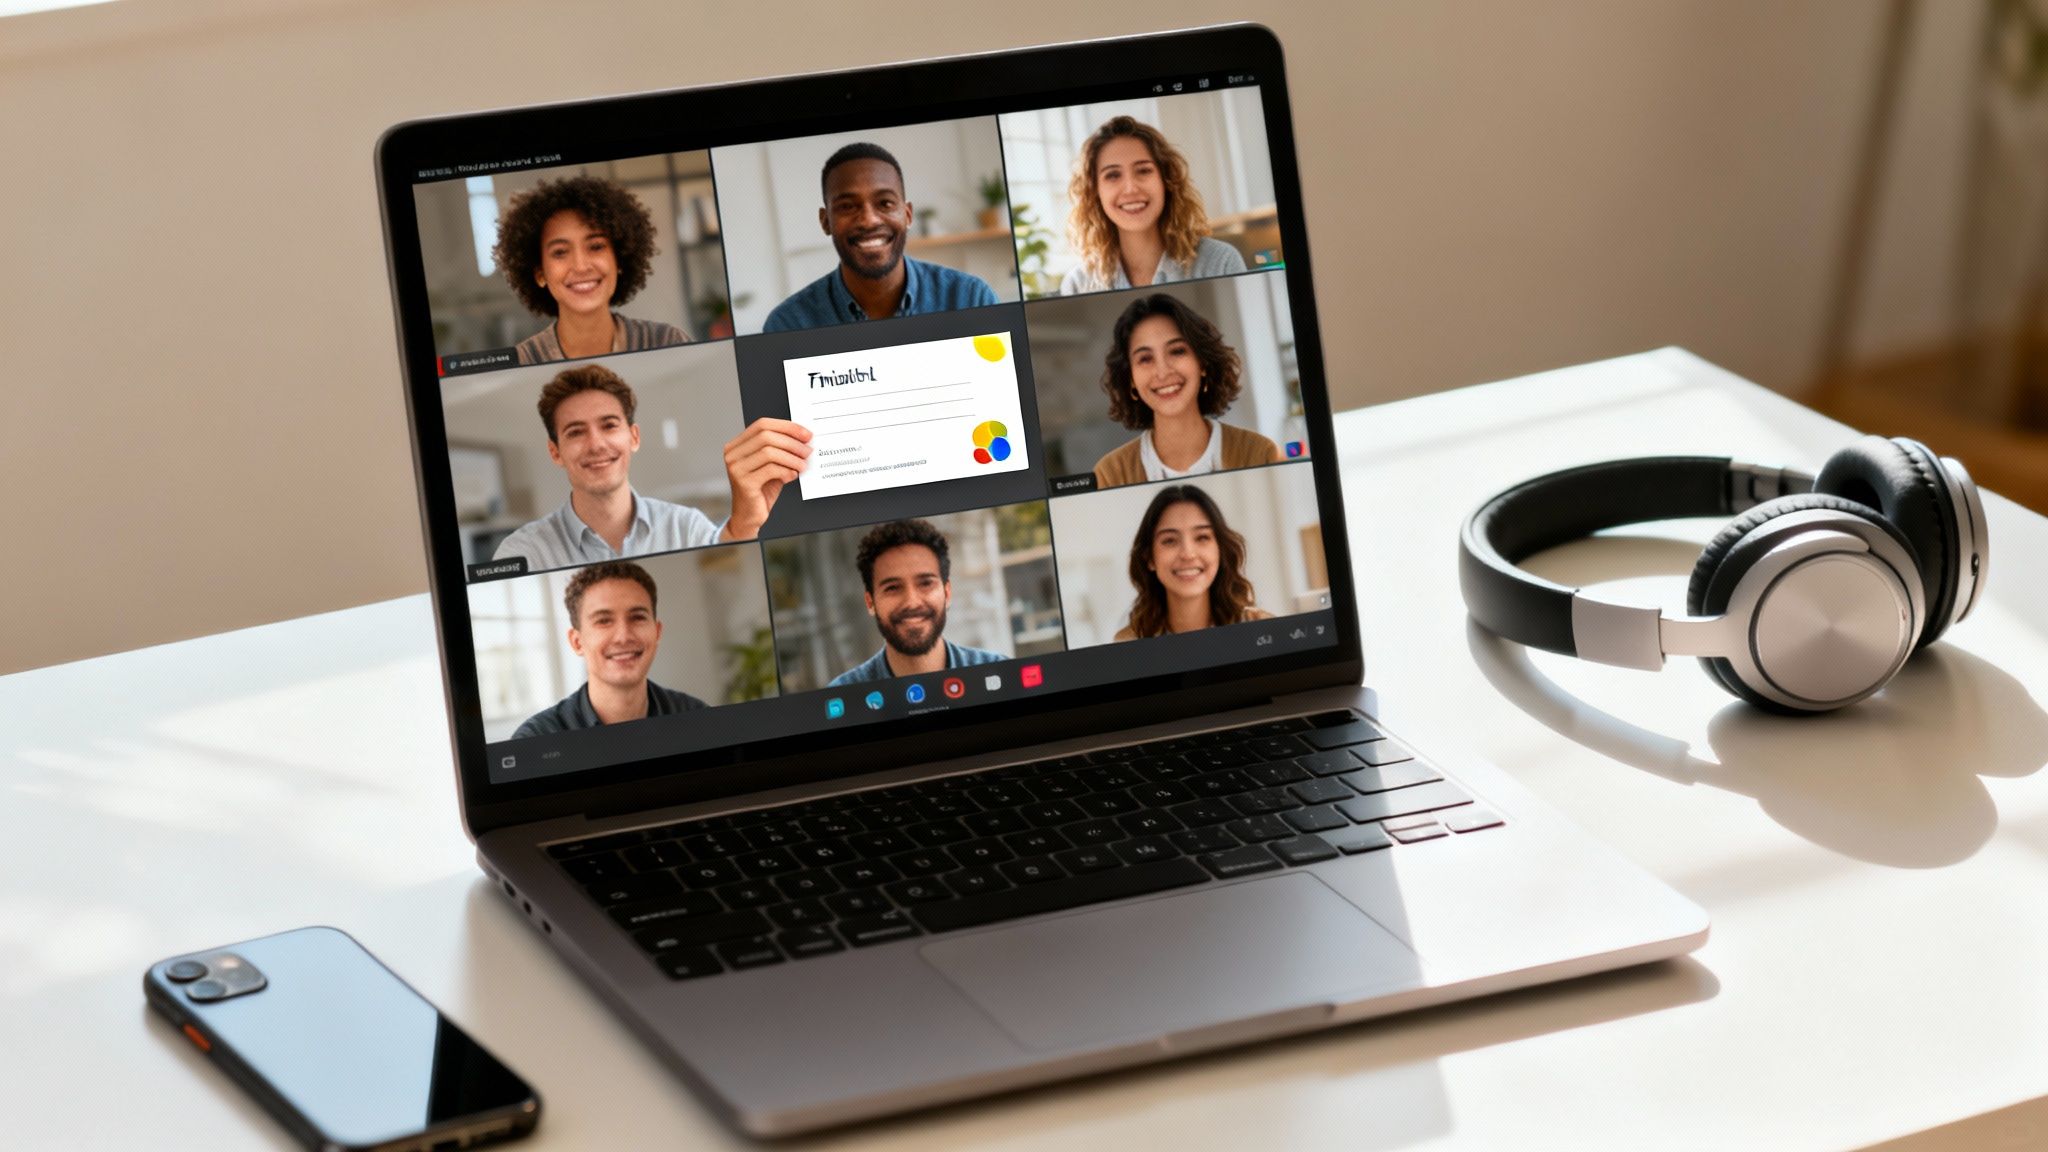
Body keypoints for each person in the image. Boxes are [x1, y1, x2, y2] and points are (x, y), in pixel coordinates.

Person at [492, 364, 811, 567]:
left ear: (634, 437)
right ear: (555, 452)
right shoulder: (522, 553)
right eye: (576, 432)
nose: (596, 444)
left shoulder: (686, 527)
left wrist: (745, 523)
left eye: (609, 425)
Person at [763, 142, 1000, 332]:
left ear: (907, 215)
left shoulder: (971, 299)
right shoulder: (788, 326)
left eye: (885, 203)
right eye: (847, 206)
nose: (869, 220)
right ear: (826, 221)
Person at [492, 175, 689, 364]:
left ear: (618, 260)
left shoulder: (668, 342)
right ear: (540, 273)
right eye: (560, 252)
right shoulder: (522, 362)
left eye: (596, 247)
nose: (581, 266)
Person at [1091, 293, 1283, 488]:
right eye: (1145, 359)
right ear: (1131, 379)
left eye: (1177, 351)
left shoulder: (1260, 453)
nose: (1163, 372)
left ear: (1202, 363)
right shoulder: (1109, 475)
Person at [513, 561, 705, 737]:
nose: (623, 636)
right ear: (577, 642)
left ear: (657, 633)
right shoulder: (536, 738)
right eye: (603, 621)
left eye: (637, 617)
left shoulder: (698, 718)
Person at [1058, 116, 1247, 295]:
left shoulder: (1220, 262)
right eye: (1113, 175)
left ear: (1166, 180)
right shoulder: (1078, 284)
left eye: (1143, 170)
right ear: (1095, 192)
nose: (1130, 188)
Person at [827, 519, 1005, 685]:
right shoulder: (843, 692)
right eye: (892, 588)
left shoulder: (997, 672)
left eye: (926, 583)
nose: (912, 602)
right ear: (870, 602)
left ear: (947, 593)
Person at [1114, 485, 1272, 641]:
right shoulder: (1127, 642)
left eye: (1202, 537)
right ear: (1149, 558)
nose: (1188, 554)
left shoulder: (1261, 628)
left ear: (1220, 550)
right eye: (1169, 541)